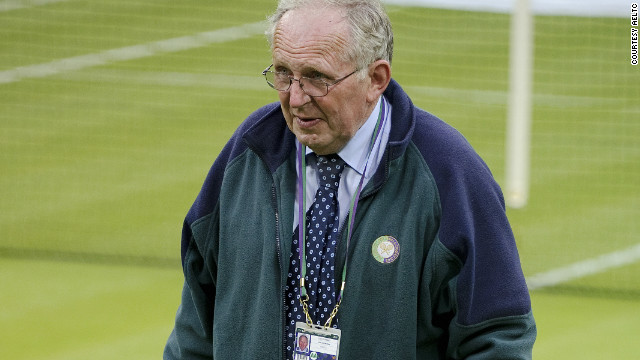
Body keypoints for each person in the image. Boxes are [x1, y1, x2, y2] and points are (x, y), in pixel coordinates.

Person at [164, 0, 536, 359]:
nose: (295, 98)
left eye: (316, 78)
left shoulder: (448, 172)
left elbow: (497, 335)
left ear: (376, 78)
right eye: (282, 74)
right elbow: (197, 325)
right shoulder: (248, 155)